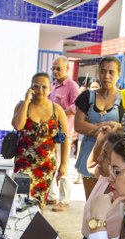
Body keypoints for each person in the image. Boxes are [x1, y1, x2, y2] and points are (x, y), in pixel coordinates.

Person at [74, 56, 125, 199]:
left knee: (113, 202)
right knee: (91, 200)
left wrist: (115, 127)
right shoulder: (87, 96)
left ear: (119, 74)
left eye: (111, 72)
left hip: (115, 157)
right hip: (90, 153)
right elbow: (79, 125)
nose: (106, 76)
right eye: (102, 71)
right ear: (98, 73)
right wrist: (105, 130)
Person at [11, 73, 69, 206]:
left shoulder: (57, 110)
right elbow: (18, 125)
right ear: (31, 88)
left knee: (39, 203)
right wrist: (26, 101)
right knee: (21, 202)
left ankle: (35, 226)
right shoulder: (22, 106)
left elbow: (65, 139)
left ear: (50, 88)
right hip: (24, 164)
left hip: (46, 167)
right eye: (36, 86)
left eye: (44, 87)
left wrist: (63, 164)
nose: (40, 90)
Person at [48, 56, 80, 211]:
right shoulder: (52, 85)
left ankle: (64, 200)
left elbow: (76, 106)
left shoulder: (72, 86)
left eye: (58, 68)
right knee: (52, 164)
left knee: (64, 166)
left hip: (63, 133)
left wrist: (60, 113)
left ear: (67, 69)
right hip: (50, 133)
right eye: (53, 68)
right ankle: (52, 197)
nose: (55, 71)